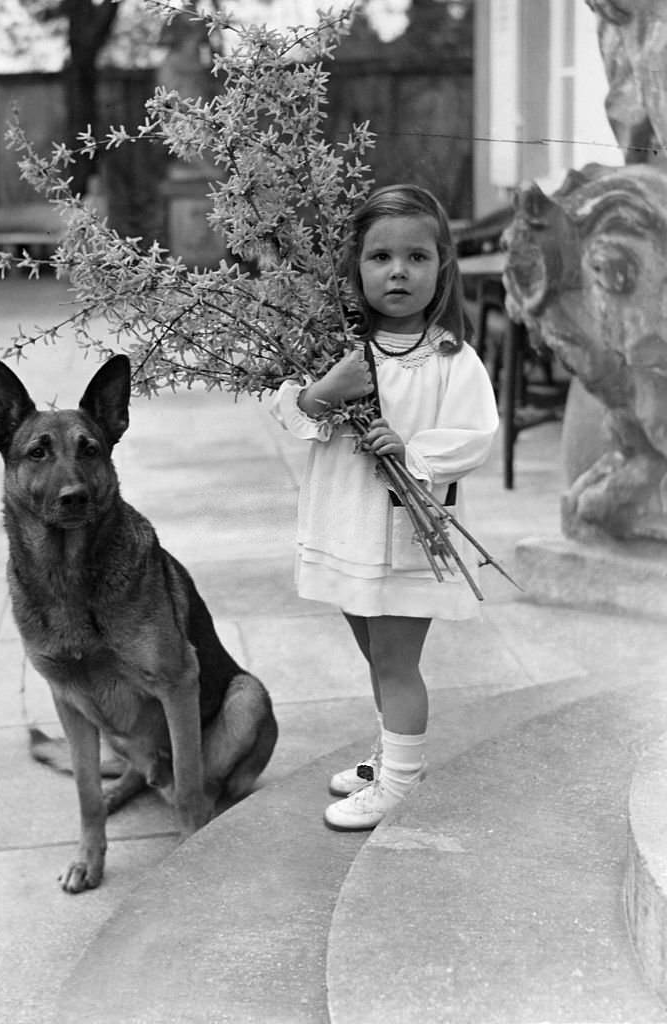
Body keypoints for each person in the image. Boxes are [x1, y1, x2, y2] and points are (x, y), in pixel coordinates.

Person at [270, 184, 499, 830]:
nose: (398, 271)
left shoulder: (450, 359)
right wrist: (323, 390)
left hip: (403, 537)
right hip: (349, 529)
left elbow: (476, 433)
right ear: (355, 268)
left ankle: (400, 783)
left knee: (396, 662)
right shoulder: (339, 349)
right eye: (380, 258)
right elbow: (293, 416)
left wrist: (413, 451)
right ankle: (393, 755)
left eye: (417, 257)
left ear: (442, 268)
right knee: (377, 654)